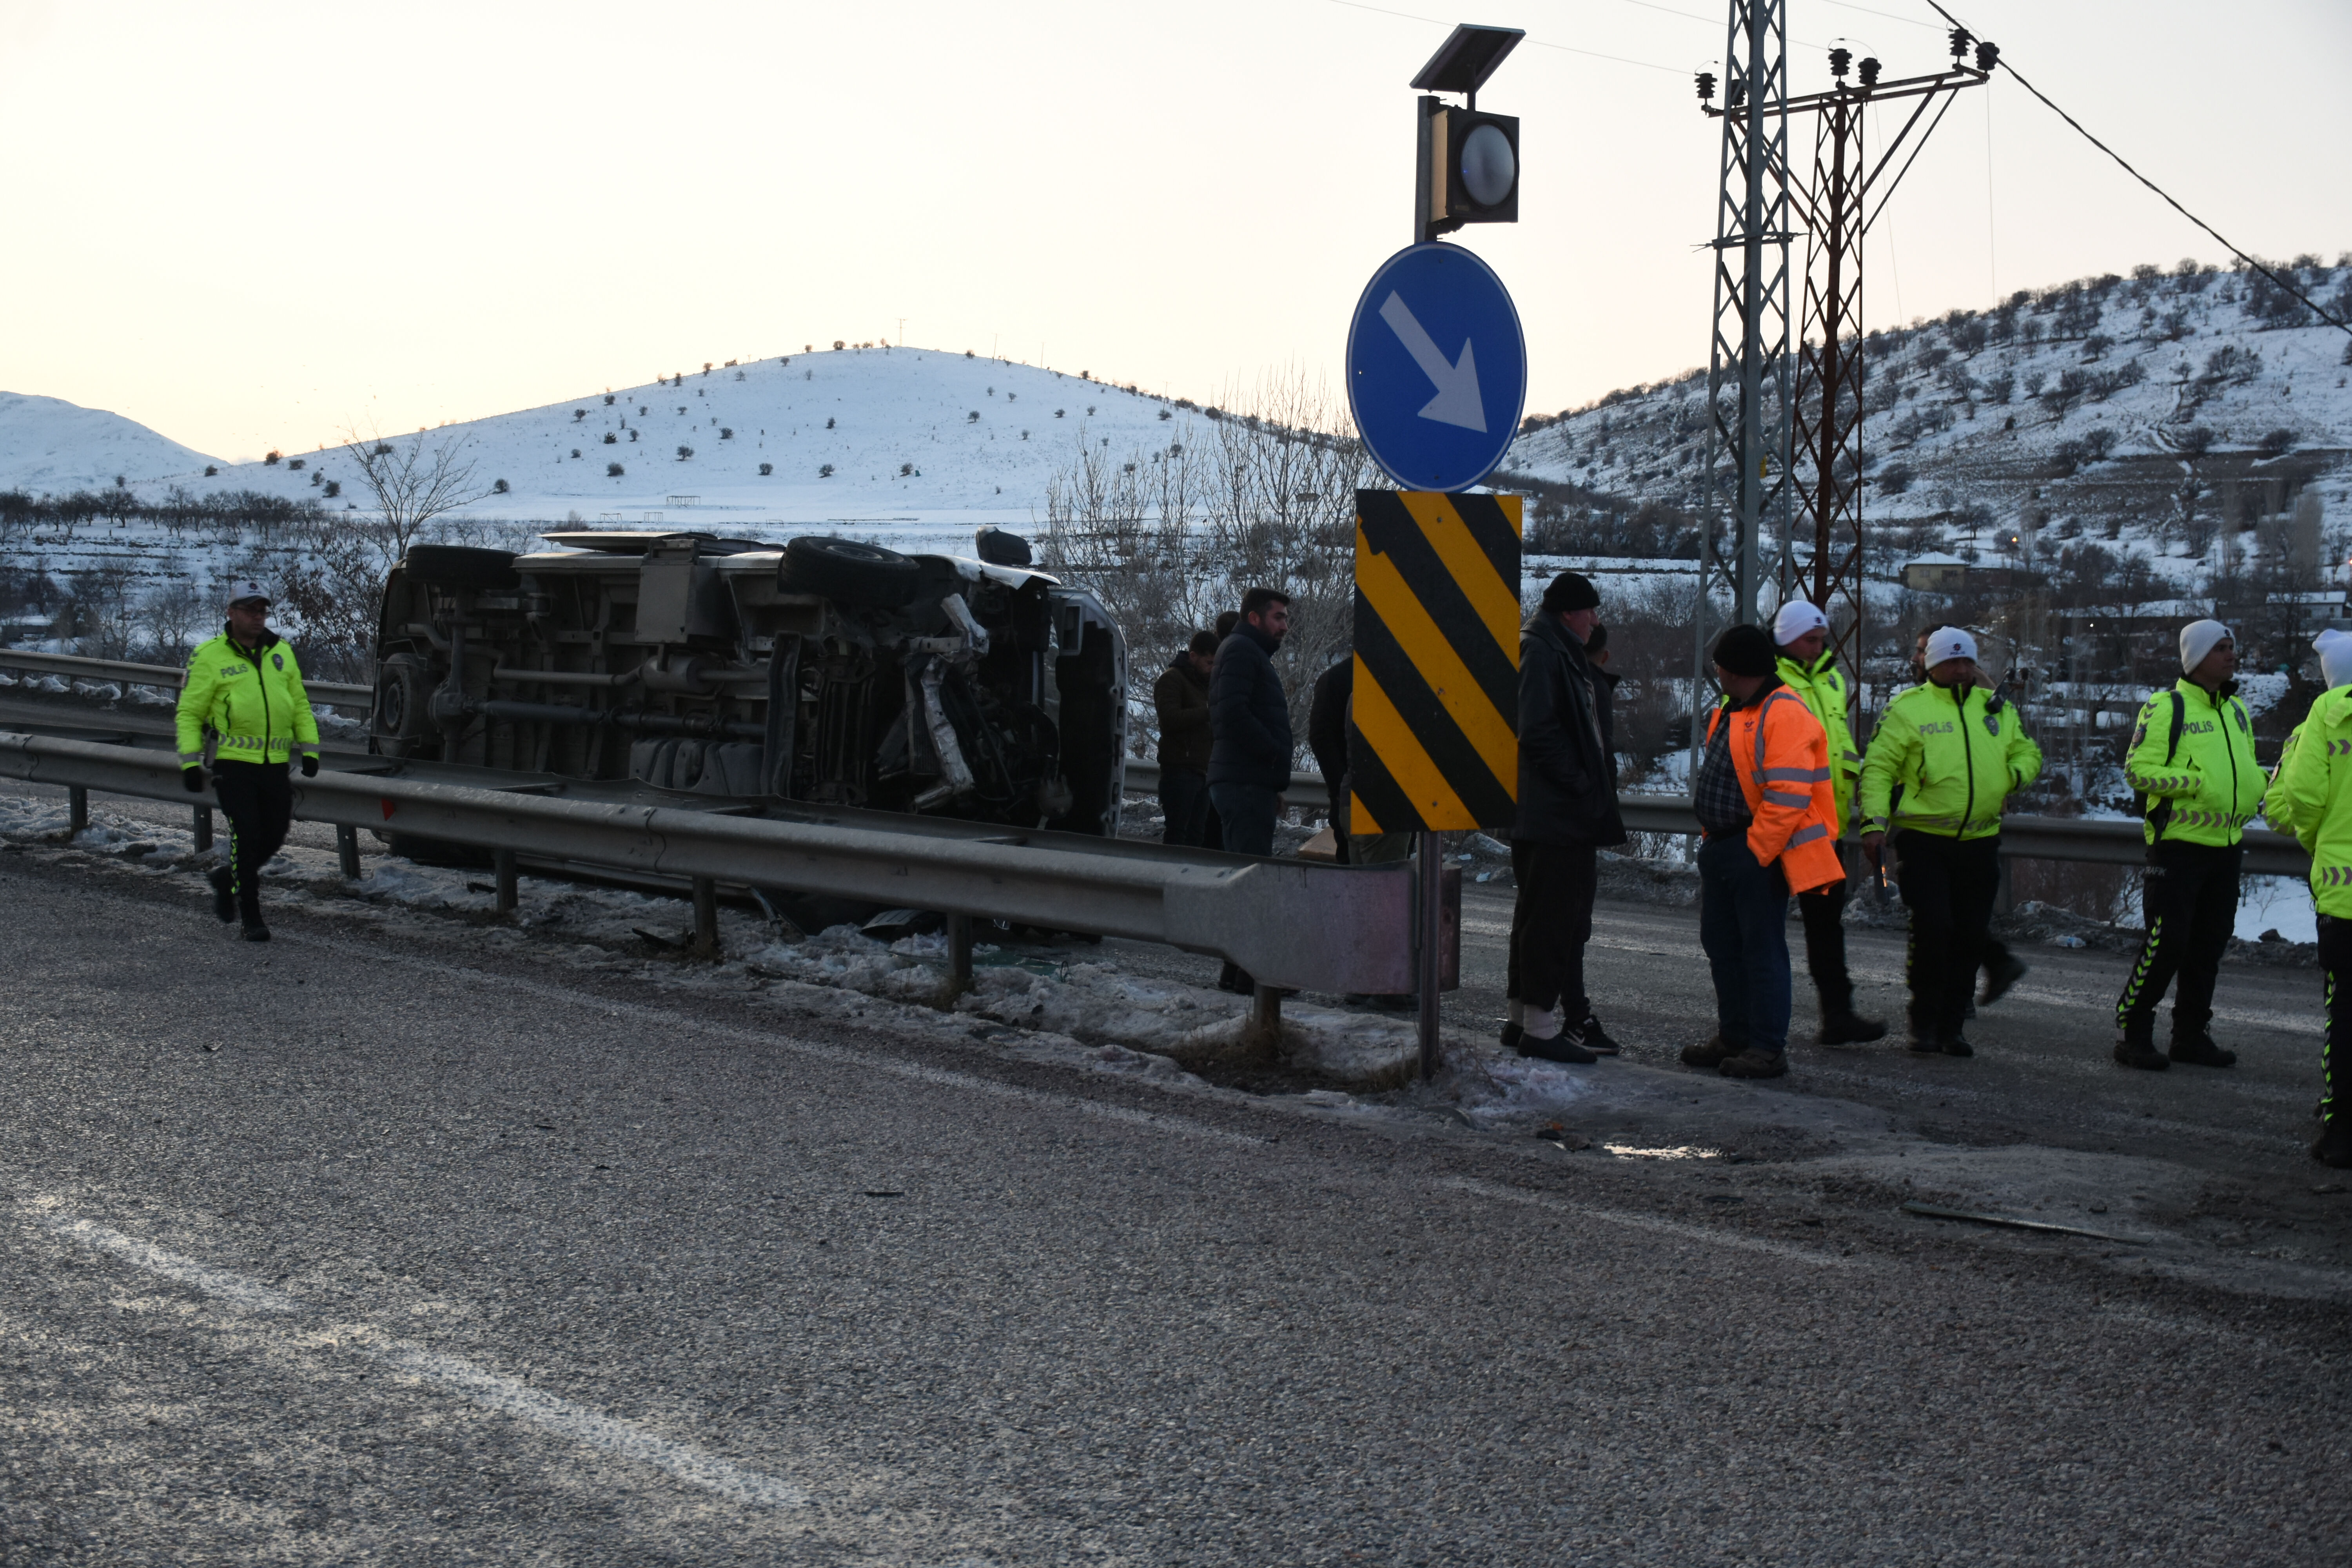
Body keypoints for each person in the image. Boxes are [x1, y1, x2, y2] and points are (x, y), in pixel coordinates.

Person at [1858, 626, 2042, 1056]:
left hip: (1981, 841)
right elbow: (1879, 770)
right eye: (1951, 661)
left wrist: (2010, 777)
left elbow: (2028, 753)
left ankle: (1952, 1028)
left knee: (1970, 936)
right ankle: (1923, 1022)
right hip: (1924, 841)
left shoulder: (1994, 708)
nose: (1961, 669)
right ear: (1932, 665)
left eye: (1967, 661)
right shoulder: (1906, 708)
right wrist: (1873, 825)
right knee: (1933, 929)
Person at [1678, 624, 1844, 1079]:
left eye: (1719, 666)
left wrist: (1757, 851)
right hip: (1726, 845)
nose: (1715, 672)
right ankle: (1735, 1036)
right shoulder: (1736, 708)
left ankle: (1767, 1048)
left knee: (1761, 950)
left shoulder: (1784, 712)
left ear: (1734, 670)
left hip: (1753, 851)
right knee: (1724, 946)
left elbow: (1788, 795)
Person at [2113, 619, 2265, 1071]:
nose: (2231, 654)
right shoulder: (2167, 707)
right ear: (2196, 657)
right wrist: (2196, 783)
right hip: (2178, 847)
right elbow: (2137, 770)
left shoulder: (2237, 710)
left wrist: (2257, 786)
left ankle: (2190, 1037)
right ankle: (2134, 1034)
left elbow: (2247, 765)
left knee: (2208, 945)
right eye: (2221, 648)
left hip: (2227, 845)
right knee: (2168, 942)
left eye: (2232, 646)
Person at [1503, 571, 1626, 1064]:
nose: (1595, 621)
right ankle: (1539, 1027)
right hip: (1553, 813)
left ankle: (1522, 1021)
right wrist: (1581, 783)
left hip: (1552, 812)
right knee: (1552, 921)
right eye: (1590, 611)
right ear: (1568, 612)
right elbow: (1536, 730)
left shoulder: (1553, 647)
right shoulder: (1542, 650)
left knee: (1538, 916)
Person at [176, 579, 321, 942]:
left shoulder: (281, 652)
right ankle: (251, 917)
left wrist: (310, 749)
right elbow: (189, 713)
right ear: (231, 613)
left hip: (275, 764)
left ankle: (227, 878)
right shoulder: (209, 655)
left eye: (262, 611)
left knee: (275, 834)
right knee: (247, 833)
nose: (257, 617)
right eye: (249, 610)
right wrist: (190, 762)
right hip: (233, 763)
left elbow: (299, 704)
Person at [1771, 600, 1886, 1044]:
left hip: (1823, 827)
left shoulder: (1831, 678)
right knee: (1764, 926)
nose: (1818, 647)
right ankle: (1752, 1021)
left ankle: (1838, 1014)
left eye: (1821, 639)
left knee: (1826, 926)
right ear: (1787, 639)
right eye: (1810, 639)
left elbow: (1838, 744)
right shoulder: (1771, 678)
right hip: (1782, 823)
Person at [2267, 628, 2352, 1167]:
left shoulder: (2325, 717)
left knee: (2345, 1013)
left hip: (2345, 898)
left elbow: (2295, 798)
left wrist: (2319, 841)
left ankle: (2342, 1130)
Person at [1208, 586, 1294, 992]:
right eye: (1279, 617)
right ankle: (1254, 976)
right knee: (1253, 883)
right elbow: (1232, 712)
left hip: (1245, 780)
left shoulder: (1243, 650)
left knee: (1243, 879)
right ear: (1255, 618)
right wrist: (1272, 753)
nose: (1285, 627)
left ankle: (1237, 970)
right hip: (1244, 781)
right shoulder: (1243, 651)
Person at [1154, 630, 1218, 847]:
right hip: (1179, 770)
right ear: (1193, 656)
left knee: (1196, 837)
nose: (1212, 669)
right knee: (1177, 835)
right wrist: (1208, 712)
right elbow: (1169, 719)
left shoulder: (1204, 684)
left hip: (1202, 771)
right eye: (1209, 663)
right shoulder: (1172, 679)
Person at [1307, 652, 1353, 864]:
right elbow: (1321, 738)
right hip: (1350, 802)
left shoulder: (1336, 679)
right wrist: (1342, 789)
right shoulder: (1337, 679)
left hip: (1390, 807)